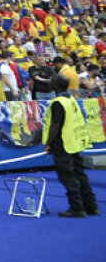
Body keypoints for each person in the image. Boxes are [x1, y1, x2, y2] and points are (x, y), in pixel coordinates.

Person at [43, 75, 100, 218]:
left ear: (56, 85)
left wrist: (48, 144)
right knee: (80, 174)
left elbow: (55, 125)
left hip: (63, 143)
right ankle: (91, 206)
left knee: (67, 176)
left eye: (52, 81)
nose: (50, 82)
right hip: (74, 141)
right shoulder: (71, 99)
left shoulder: (58, 102)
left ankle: (77, 208)